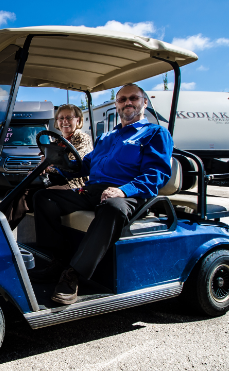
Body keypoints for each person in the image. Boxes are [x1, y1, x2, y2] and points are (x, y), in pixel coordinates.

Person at [32, 83, 173, 305]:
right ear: (116, 105)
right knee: (43, 197)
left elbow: (157, 174)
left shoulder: (154, 133)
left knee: (112, 207)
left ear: (144, 102)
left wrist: (122, 190)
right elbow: (83, 166)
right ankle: (54, 262)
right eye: (122, 99)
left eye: (133, 98)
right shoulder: (107, 137)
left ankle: (73, 275)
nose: (128, 103)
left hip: (130, 193)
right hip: (94, 190)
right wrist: (56, 164)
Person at [4, 104, 93, 229]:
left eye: (69, 118)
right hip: (53, 180)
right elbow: (46, 162)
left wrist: (47, 167)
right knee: (13, 193)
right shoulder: (58, 142)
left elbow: (76, 164)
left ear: (77, 120)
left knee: (22, 197)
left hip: (72, 183)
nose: (64, 121)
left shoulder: (82, 138)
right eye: (61, 118)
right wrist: (36, 170)